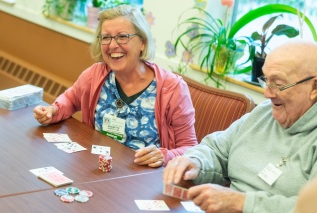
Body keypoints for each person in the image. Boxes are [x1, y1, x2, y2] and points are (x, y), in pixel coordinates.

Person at [33, 5, 197, 168]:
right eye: (106, 37)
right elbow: (70, 99)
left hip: (144, 179)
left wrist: (165, 155)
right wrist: (53, 110)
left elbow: (191, 149)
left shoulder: (173, 88)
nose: (112, 45)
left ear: (142, 43)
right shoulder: (95, 75)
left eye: (122, 37)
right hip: (97, 169)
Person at [163, 40, 317, 213]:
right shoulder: (263, 114)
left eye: (278, 84)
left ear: (314, 87)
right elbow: (215, 149)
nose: (267, 93)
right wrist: (195, 162)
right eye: (266, 80)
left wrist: (242, 203)